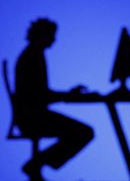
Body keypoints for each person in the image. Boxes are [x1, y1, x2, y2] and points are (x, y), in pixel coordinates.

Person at [14, 18, 94, 181]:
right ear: (42, 35)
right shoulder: (32, 56)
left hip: (32, 115)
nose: (53, 39)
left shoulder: (34, 54)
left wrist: (68, 95)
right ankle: (36, 164)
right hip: (32, 118)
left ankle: (36, 165)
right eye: (51, 35)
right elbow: (40, 95)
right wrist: (68, 96)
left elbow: (41, 93)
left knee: (83, 132)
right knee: (84, 133)